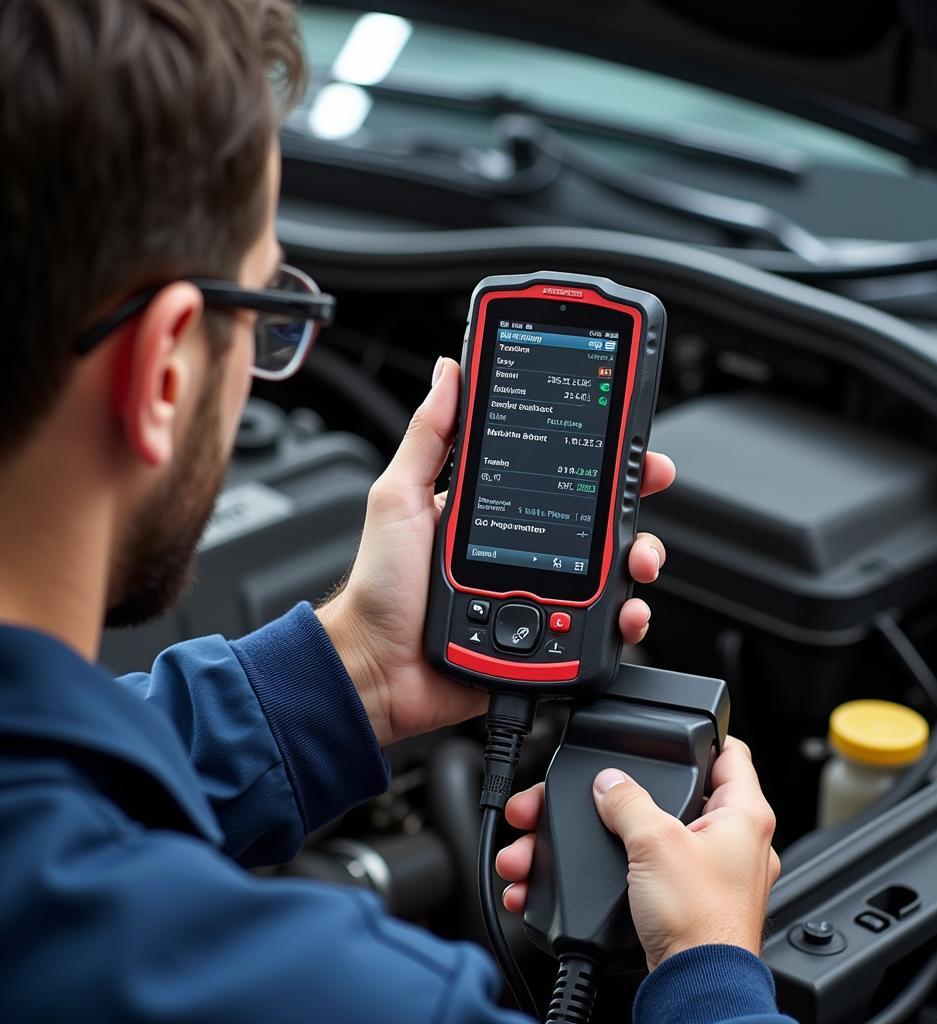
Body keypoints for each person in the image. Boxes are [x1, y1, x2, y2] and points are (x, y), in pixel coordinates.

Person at [0, 1, 790, 1022]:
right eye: (264, 312)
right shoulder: (341, 997)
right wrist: (710, 967)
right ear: (162, 372)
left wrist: (353, 673)